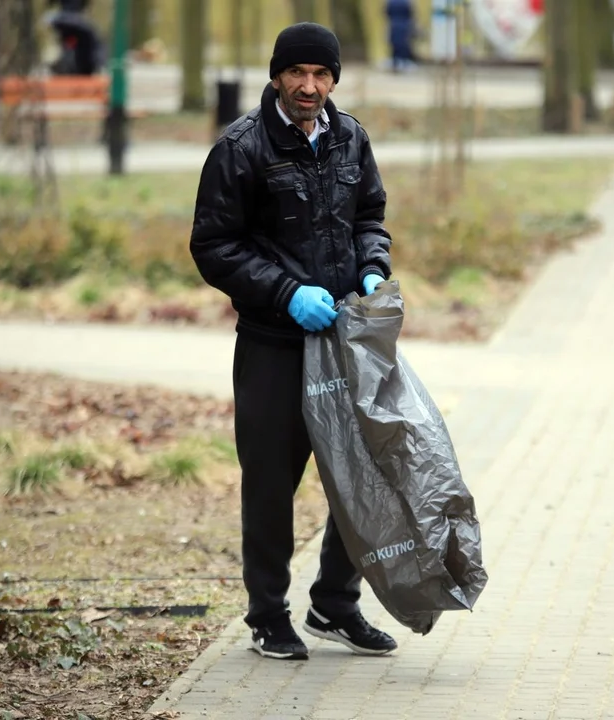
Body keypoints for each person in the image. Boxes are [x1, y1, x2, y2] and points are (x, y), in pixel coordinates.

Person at [189, 22, 398, 661]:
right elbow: (214, 246)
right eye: (297, 74)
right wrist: (285, 293)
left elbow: (370, 217)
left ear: (334, 78)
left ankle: (334, 605)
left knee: (362, 473)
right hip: (274, 346)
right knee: (271, 485)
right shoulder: (241, 148)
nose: (309, 86)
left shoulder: (352, 137)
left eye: (321, 74)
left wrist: (373, 265)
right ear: (277, 75)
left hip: (345, 340)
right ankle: (266, 617)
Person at [385, 0, 417, 72]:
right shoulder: (407, 2)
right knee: (404, 43)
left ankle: (395, 63)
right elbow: (411, 12)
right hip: (404, 24)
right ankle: (404, 62)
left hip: (394, 24)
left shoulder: (391, 2)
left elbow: (387, 12)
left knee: (395, 44)